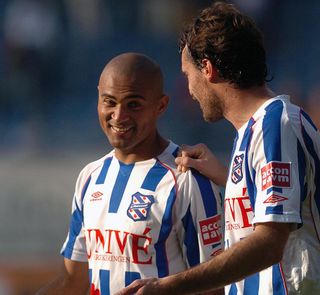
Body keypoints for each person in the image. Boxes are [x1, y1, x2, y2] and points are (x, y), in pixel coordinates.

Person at [117, 2, 320, 295]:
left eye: (188, 75)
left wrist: (171, 285)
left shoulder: (276, 124)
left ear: (208, 69)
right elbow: (285, 203)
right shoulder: (253, 131)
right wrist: (230, 178)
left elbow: (269, 242)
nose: (188, 89)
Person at [35, 52, 223, 294]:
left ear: (161, 106)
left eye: (133, 104)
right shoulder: (90, 177)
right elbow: (73, 280)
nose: (119, 116)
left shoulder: (188, 179)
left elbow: (216, 286)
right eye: (109, 101)